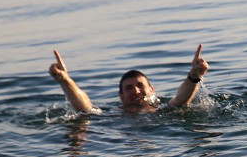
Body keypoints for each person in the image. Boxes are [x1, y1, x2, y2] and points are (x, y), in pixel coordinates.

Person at [47, 45, 210, 113]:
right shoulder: (115, 115)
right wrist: (65, 80)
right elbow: (86, 108)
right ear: (121, 97)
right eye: (129, 88)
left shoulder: (163, 110)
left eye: (140, 86)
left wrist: (194, 76)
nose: (136, 91)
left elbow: (181, 99)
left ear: (152, 90)